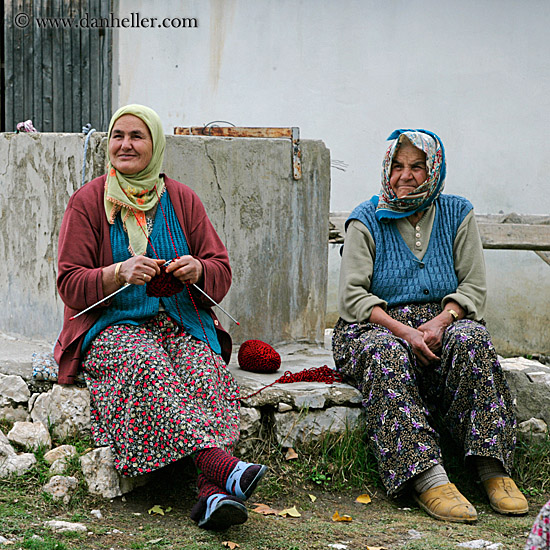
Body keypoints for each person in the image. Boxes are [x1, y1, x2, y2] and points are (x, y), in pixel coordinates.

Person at [54, 104, 266, 530]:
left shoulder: (183, 200)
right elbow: (69, 283)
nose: (125, 145)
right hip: (112, 328)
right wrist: (118, 272)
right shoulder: (89, 202)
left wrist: (199, 270)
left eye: (137, 136)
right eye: (118, 135)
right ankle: (220, 466)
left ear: (155, 145)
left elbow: (220, 271)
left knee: (204, 373)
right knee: (144, 364)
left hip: (179, 324)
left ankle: (211, 497)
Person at [332, 129, 528, 523]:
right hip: (376, 327)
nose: (406, 175)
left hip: (443, 322)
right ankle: (427, 476)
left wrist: (441, 321)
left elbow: (472, 286)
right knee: (384, 352)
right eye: (398, 166)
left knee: (472, 338)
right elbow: (352, 297)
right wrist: (403, 331)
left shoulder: (457, 213)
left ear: (434, 171)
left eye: (417, 167)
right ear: (387, 169)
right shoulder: (365, 219)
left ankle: (492, 469)